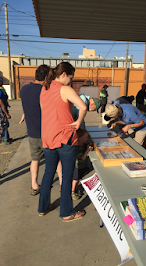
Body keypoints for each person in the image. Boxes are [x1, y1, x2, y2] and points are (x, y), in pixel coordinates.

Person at [38, 62, 86, 222]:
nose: (71, 81)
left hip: (48, 138)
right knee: (66, 177)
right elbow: (83, 106)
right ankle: (67, 212)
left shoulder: (44, 89)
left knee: (48, 173)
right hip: (65, 138)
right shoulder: (64, 89)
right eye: (71, 77)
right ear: (64, 74)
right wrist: (78, 121)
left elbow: (45, 111)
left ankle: (43, 207)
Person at [19, 65, 63, 196]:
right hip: (47, 132)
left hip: (32, 132)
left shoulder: (24, 89)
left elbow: (28, 107)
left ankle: (34, 185)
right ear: (45, 78)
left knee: (35, 159)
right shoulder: (45, 90)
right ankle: (62, 183)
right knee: (57, 160)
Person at [71, 128, 92, 200]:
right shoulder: (77, 148)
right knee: (75, 179)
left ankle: (76, 189)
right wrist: (87, 150)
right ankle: (73, 192)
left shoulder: (83, 144)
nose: (87, 138)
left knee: (78, 178)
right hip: (77, 167)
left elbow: (88, 141)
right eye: (86, 137)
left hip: (82, 166)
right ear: (80, 138)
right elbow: (82, 158)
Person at [0, 78, 11, 145]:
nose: (2, 83)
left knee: (6, 124)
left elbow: (5, 99)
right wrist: (6, 114)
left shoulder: (1, 90)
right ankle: (4, 139)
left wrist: (7, 104)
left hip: (3, 109)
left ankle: (6, 137)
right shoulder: (0, 91)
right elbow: (1, 103)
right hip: (1, 110)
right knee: (4, 124)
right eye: (1, 82)